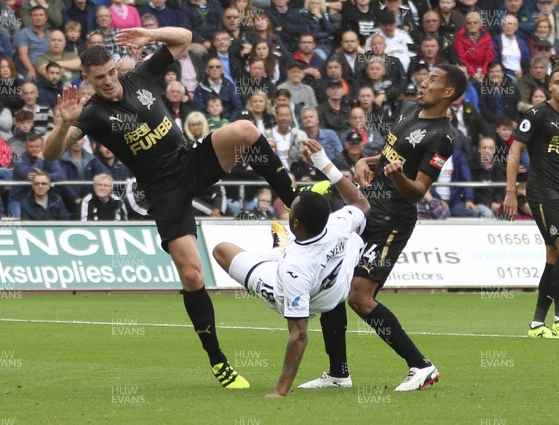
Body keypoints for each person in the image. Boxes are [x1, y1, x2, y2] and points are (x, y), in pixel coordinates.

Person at [43, 26, 298, 389]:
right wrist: (62, 125)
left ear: (117, 67)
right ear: (87, 78)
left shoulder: (140, 75)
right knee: (193, 275)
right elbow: (52, 153)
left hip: (190, 160)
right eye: (99, 78)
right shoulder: (91, 113)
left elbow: (185, 37)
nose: (109, 81)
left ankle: (296, 202)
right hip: (163, 191)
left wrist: (149, 33)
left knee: (244, 129)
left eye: (112, 72)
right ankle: (219, 362)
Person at [301, 64, 468, 391]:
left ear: (448, 93)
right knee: (331, 287)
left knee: (360, 298)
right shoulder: (408, 110)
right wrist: (368, 161)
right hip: (366, 209)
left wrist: (395, 176)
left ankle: (421, 366)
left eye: (433, 80)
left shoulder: (443, 137)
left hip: (393, 219)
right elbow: (394, 154)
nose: (424, 82)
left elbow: (418, 190)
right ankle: (338, 373)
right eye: (426, 76)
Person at [213, 139, 370, 397]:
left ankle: (280, 250)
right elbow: (362, 204)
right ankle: (280, 250)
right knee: (355, 238)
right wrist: (325, 165)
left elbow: (299, 334)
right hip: (335, 290)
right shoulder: (338, 223)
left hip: (292, 289)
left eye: (292, 208)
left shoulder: (294, 270)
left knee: (222, 250)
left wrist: (280, 391)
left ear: (295, 222)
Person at [503, 66, 559, 339]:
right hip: (542, 192)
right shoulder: (537, 114)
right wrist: (511, 191)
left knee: (554, 255)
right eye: (557, 82)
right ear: (550, 86)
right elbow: (515, 149)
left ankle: (538, 324)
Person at [8, 133, 65, 219]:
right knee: (19, 222)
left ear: (42, 147)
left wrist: (44, 176)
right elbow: (31, 173)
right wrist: (41, 159)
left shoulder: (50, 157)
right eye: (31, 146)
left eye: (37, 146)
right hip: (19, 199)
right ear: (26, 147)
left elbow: (61, 175)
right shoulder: (19, 159)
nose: (34, 149)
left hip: (45, 199)